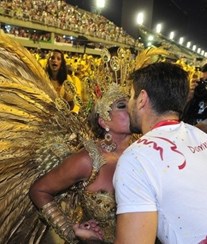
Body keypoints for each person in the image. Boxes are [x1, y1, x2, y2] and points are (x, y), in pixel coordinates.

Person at [113, 62, 207, 244]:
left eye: (130, 96)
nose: (130, 104)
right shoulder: (198, 135)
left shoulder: (136, 158)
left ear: (142, 99)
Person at [29, 82, 132, 243]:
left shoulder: (144, 153)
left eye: (131, 102)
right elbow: (39, 190)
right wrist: (70, 232)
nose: (130, 109)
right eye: (121, 106)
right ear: (103, 121)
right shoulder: (89, 159)